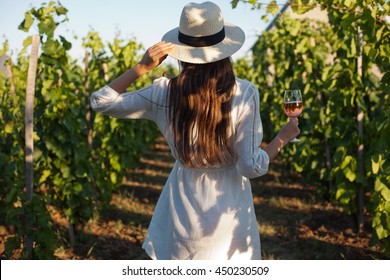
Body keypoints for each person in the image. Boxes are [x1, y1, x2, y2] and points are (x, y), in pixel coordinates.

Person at [91, 1, 299, 260]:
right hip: (229, 209)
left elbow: (101, 101)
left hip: (183, 206)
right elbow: (251, 167)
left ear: (181, 50)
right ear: (225, 49)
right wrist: (282, 138)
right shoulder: (245, 93)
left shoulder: (163, 92)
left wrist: (142, 67)